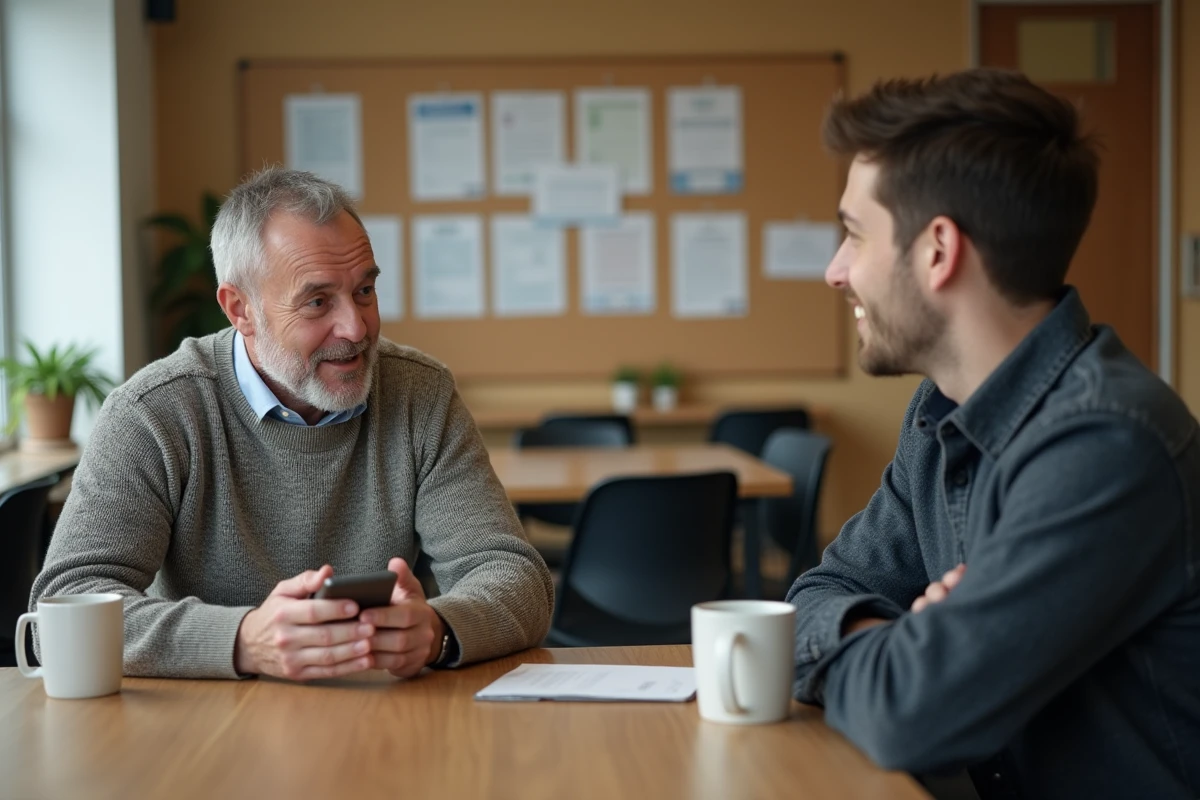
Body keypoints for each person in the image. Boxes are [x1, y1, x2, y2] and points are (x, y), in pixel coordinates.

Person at [787, 68, 1200, 798]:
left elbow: (909, 715)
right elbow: (816, 596)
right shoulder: (941, 410)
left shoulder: (1107, 447)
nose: (835, 270)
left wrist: (911, 661)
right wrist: (900, 644)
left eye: (854, 233)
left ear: (938, 250)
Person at [32, 168, 555, 682]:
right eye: (318, 301)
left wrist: (438, 629)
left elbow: (517, 578)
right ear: (241, 309)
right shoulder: (154, 413)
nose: (355, 328)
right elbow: (62, 609)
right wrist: (243, 641)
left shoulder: (420, 394)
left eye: (365, 291)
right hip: (202, 737)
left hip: (384, 722)